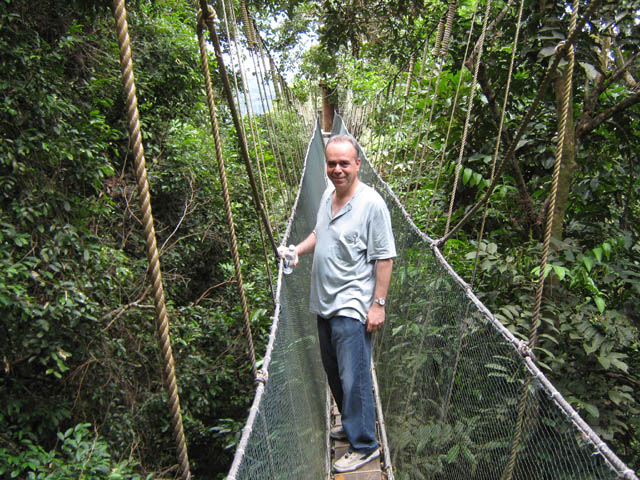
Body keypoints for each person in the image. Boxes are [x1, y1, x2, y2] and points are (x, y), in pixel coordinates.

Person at [279, 134, 395, 473]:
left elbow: (385, 257)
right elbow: (320, 233)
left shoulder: (371, 204)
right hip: (324, 302)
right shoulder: (329, 195)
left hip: (353, 305)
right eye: (332, 163)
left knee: (354, 376)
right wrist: (296, 251)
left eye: (345, 163)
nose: (338, 169)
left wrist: (378, 305)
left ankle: (364, 444)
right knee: (334, 373)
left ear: (358, 164)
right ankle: (350, 421)